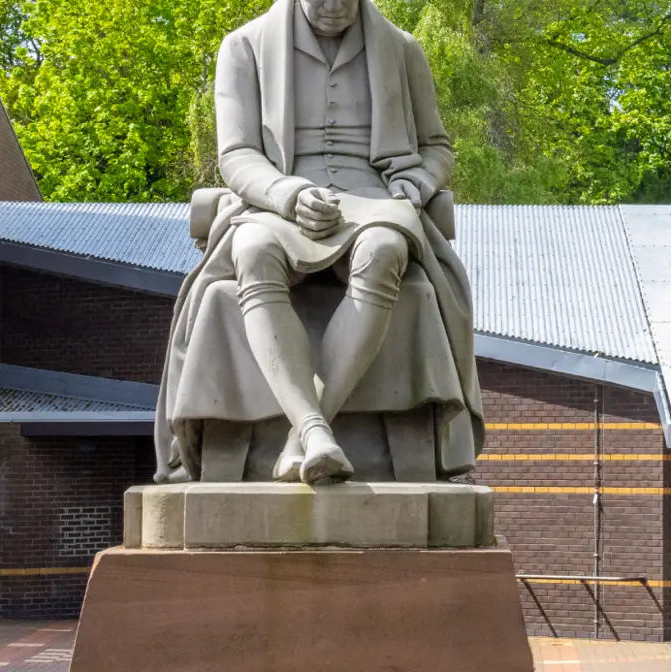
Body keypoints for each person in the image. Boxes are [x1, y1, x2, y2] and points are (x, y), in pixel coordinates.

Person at [153, 0, 482, 485]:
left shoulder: (402, 49)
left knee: (384, 251)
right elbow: (237, 153)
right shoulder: (244, 46)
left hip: (374, 199)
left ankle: (304, 435)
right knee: (253, 251)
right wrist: (287, 194)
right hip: (276, 200)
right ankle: (314, 431)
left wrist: (421, 181)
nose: (334, 6)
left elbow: (437, 147)